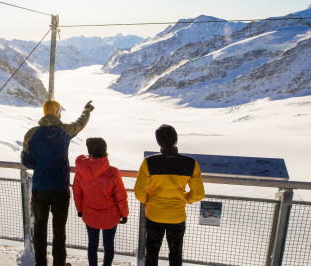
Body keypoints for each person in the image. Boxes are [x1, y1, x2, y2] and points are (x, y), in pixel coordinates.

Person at [21, 99, 94, 266]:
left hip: (40, 189)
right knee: (59, 230)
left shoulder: (31, 133)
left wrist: (41, 166)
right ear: (56, 112)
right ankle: (59, 263)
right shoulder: (65, 131)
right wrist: (87, 110)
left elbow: (25, 160)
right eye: (59, 111)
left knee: (39, 229)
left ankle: (40, 263)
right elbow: (80, 123)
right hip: (60, 189)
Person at [134, 125, 205, 266]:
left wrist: (149, 201)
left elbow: (139, 191)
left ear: (158, 141)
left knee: (152, 251)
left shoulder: (149, 162)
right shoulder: (190, 163)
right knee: (176, 253)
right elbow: (198, 194)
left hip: (154, 215)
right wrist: (184, 199)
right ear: (176, 140)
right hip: (177, 215)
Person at [73, 137, 129, 266]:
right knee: (108, 245)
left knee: (92, 245)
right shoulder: (113, 172)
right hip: (110, 217)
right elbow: (120, 197)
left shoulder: (81, 171)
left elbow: (77, 193)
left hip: (90, 215)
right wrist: (124, 214)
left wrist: (80, 210)